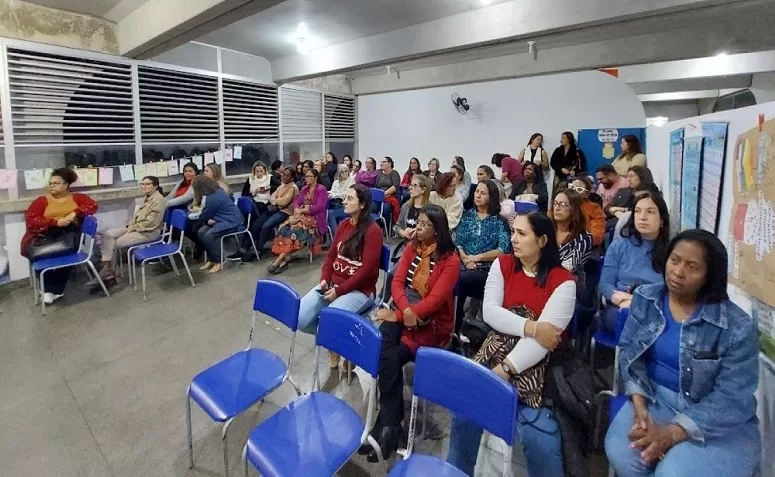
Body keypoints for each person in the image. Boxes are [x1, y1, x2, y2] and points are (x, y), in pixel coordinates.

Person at [605, 229, 760, 477]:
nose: (678, 271)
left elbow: (733, 398)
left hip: (715, 418)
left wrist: (674, 431)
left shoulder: (736, 326)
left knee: (673, 472)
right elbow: (630, 353)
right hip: (657, 398)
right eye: (674, 260)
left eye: (692, 267)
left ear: (710, 275)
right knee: (624, 453)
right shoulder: (647, 298)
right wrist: (639, 405)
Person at [447, 212, 576, 477]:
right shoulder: (504, 264)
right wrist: (531, 327)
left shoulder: (563, 282)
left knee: (540, 439)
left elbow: (546, 341)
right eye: (513, 232)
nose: (513, 239)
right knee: (464, 416)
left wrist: (506, 368)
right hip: (496, 349)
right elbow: (491, 313)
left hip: (541, 366)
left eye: (521, 234)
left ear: (542, 240)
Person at [362, 204, 460, 462]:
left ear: (438, 231)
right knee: (384, 346)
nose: (418, 227)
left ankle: (384, 425)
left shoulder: (450, 260)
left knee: (391, 357)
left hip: (430, 325)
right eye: (418, 222)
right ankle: (392, 425)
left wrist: (405, 313)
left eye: (425, 225)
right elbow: (396, 281)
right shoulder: (413, 247)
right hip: (404, 311)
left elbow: (436, 301)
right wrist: (403, 310)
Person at [297, 183, 382, 364]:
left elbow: (365, 271)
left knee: (329, 323)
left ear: (362, 205)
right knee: (300, 318)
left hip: (360, 290)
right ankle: (336, 340)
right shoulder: (344, 225)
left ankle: (337, 343)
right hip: (334, 284)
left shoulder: (373, 231)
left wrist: (339, 290)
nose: (344, 202)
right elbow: (331, 256)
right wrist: (324, 280)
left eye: (350, 198)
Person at [21, 167, 98, 304]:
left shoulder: (77, 198)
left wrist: (74, 214)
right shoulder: (41, 201)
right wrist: (56, 222)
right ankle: (48, 289)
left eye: (56, 183)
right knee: (42, 254)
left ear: (66, 185)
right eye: (50, 183)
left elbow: (92, 205)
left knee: (68, 250)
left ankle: (53, 290)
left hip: (68, 235)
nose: (52, 186)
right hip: (43, 236)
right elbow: (32, 221)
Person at [599, 192, 670, 334]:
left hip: (656, 310)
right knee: (627, 318)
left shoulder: (672, 252)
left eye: (650, 212)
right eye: (637, 211)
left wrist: (636, 302)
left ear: (662, 220)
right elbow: (605, 284)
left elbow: (670, 294)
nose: (642, 217)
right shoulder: (619, 246)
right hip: (620, 308)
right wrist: (616, 297)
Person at [454, 180, 512, 329]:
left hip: (486, 268)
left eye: (483, 193)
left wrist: (476, 258)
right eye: (477, 191)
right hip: (464, 264)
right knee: (448, 275)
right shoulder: (468, 216)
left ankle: (459, 323)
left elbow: (503, 250)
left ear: (491, 197)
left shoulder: (499, 221)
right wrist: (466, 260)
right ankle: (453, 323)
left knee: (460, 279)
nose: (478, 195)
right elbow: (459, 242)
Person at [97, 176, 167, 284]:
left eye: (148, 184)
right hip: (137, 228)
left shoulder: (159, 199)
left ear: (155, 186)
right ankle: (107, 268)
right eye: (142, 184)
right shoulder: (147, 197)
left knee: (115, 242)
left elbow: (151, 223)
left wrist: (132, 229)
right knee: (108, 234)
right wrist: (130, 226)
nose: (144, 186)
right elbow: (137, 217)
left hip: (150, 232)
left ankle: (109, 275)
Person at [231, 166, 299, 262]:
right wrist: (276, 201)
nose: (284, 177)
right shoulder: (282, 185)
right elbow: (271, 197)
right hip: (274, 209)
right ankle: (243, 249)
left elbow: (284, 202)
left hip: (285, 212)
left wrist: (275, 201)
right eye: (283, 175)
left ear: (292, 177)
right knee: (256, 224)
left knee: (266, 226)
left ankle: (258, 250)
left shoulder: (292, 187)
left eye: (287, 176)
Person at [267, 168, 328, 274]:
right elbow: (297, 202)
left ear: (316, 178)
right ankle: (283, 260)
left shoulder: (321, 189)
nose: (307, 178)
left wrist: (303, 210)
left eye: (310, 177)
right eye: (306, 176)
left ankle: (279, 260)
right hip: (301, 216)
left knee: (294, 230)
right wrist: (296, 209)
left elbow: (320, 207)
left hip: (314, 219)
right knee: (284, 227)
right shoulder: (304, 188)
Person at [193, 176, 245, 274]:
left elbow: (205, 214)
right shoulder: (217, 192)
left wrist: (203, 218)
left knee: (208, 237)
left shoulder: (212, 197)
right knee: (201, 232)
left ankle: (219, 261)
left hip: (232, 222)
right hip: (222, 219)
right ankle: (211, 259)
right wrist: (208, 219)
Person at [549, 189, 592, 280]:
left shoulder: (583, 238)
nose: (556, 208)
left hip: (569, 281)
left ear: (573, 209)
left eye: (563, 204)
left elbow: (568, 268)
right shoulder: (546, 231)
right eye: (555, 203)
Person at [569, 177, 606, 247]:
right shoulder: (560, 203)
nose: (573, 191)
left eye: (579, 189)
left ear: (587, 194)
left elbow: (597, 236)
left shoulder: (594, 208)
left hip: (585, 246)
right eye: (572, 187)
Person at [395, 174, 430, 242]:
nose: (410, 188)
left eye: (415, 185)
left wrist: (416, 232)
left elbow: (433, 232)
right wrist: (403, 233)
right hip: (408, 247)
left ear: (423, 190)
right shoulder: (406, 206)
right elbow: (397, 226)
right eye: (411, 185)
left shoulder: (430, 209)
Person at [327, 164, 354, 236]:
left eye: (346, 171)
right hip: (335, 204)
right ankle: (327, 238)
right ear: (339, 173)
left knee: (330, 213)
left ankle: (336, 237)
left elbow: (347, 194)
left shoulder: (351, 181)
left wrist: (334, 195)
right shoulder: (336, 182)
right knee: (325, 211)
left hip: (347, 206)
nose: (344, 173)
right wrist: (330, 194)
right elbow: (332, 191)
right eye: (342, 172)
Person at [375, 156, 401, 227]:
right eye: (381, 162)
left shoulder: (394, 173)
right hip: (380, 197)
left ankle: (387, 227)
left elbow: (395, 187)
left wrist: (383, 194)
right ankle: (376, 227)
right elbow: (376, 186)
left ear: (389, 164)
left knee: (386, 208)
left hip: (391, 197)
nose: (381, 164)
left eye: (383, 162)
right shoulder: (379, 173)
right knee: (372, 207)